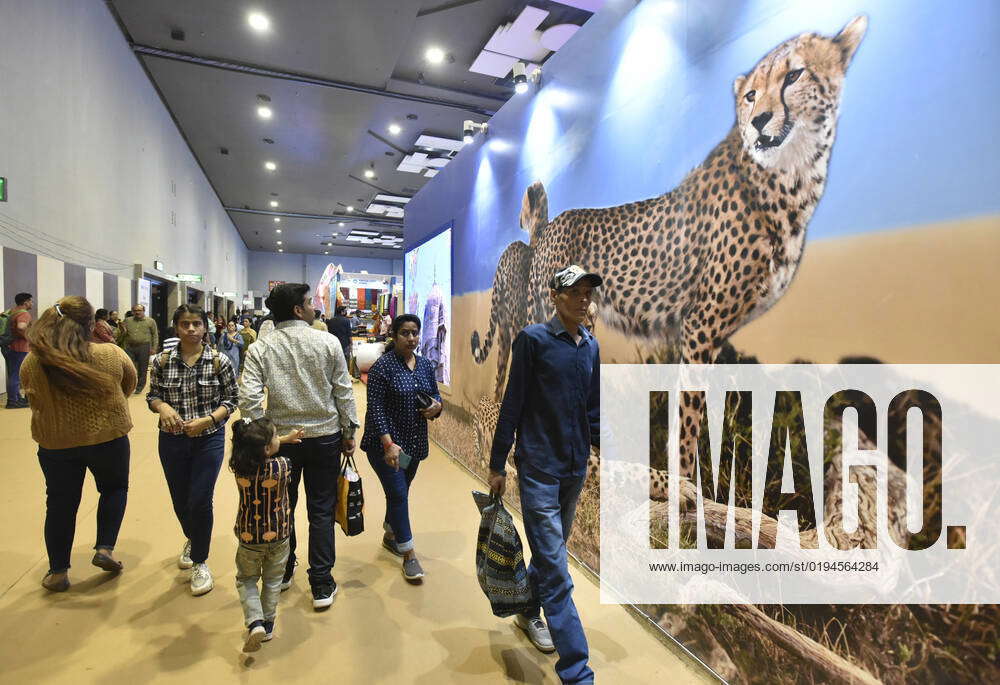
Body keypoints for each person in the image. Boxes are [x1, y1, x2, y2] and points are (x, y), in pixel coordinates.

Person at [489, 265, 602, 685]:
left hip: (574, 470)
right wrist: (497, 462)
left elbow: (592, 410)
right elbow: (512, 403)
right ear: (555, 295)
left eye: (588, 292)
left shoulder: (590, 346)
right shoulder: (533, 340)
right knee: (557, 568)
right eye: (575, 291)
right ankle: (577, 671)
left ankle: (526, 610)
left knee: (548, 554)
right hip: (538, 468)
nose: (583, 299)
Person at [239, 283, 359, 610]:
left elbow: (248, 398)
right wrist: (349, 432)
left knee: (282, 507)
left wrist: (264, 437)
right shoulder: (327, 342)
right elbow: (343, 391)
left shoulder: (262, 348)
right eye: (308, 302)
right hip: (325, 438)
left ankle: (284, 570)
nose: (313, 307)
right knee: (321, 510)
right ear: (297, 309)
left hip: (281, 444)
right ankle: (321, 583)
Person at [21, 297, 137, 592]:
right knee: (114, 489)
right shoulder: (110, 353)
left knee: (60, 504)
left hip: (56, 443)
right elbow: (129, 384)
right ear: (90, 325)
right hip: (108, 437)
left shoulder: (34, 360)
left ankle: (58, 571)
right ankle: (105, 548)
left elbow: (30, 395)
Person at [147, 304, 239, 596]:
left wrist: (209, 420)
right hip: (171, 440)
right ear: (176, 327)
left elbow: (231, 400)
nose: (191, 329)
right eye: (185, 324)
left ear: (205, 327)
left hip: (208, 439)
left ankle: (201, 560)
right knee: (180, 501)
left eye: (196, 323)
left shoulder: (219, 361)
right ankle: (193, 537)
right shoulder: (161, 361)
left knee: (200, 500)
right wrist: (162, 408)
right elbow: (153, 395)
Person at [361, 314, 442, 581]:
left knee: (401, 490)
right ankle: (409, 554)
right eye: (405, 333)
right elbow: (376, 409)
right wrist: (388, 444)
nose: (411, 338)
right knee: (397, 493)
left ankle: (390, 534)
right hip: (385, 445)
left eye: (415, 333)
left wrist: (436, 407)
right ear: (394, 336)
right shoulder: (382, 368)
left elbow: (435, 396)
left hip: (413, 444)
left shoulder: (426, 366)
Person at [230, 417, 304, 652]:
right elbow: (273, 451)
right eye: (275, 436)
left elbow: (256, 448)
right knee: (273, 581)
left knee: (247, 579)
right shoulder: (283, 466)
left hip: (249, 536)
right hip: (280, 535)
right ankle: (269, 624)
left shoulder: (239, 467)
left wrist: (280, 439)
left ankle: (255, 622)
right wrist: (288, 440)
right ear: (268, 447)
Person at [4, 292, 34, 408]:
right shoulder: (24, 314)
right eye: (31, 301)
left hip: (8, 346)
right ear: (26, 302)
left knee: (12, 373)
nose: (32, 303)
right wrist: (29, 337)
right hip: (19, 348)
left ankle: (16, 398)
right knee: (16, 374)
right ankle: (12, 401)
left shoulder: (12, 311)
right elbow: (21, 327)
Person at [120, 304, 158, 394]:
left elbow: (155, 335)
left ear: (143, 311)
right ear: (133, 311)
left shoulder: (150, 321)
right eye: (135, 310)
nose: (137, 312)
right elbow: (122, 334)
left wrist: (154, 348)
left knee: (142, 368)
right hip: (129, 347)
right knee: (128, 367)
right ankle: (128, 386)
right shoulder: (127, 320)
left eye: (139, 310)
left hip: (144, 347)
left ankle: (139, 387)